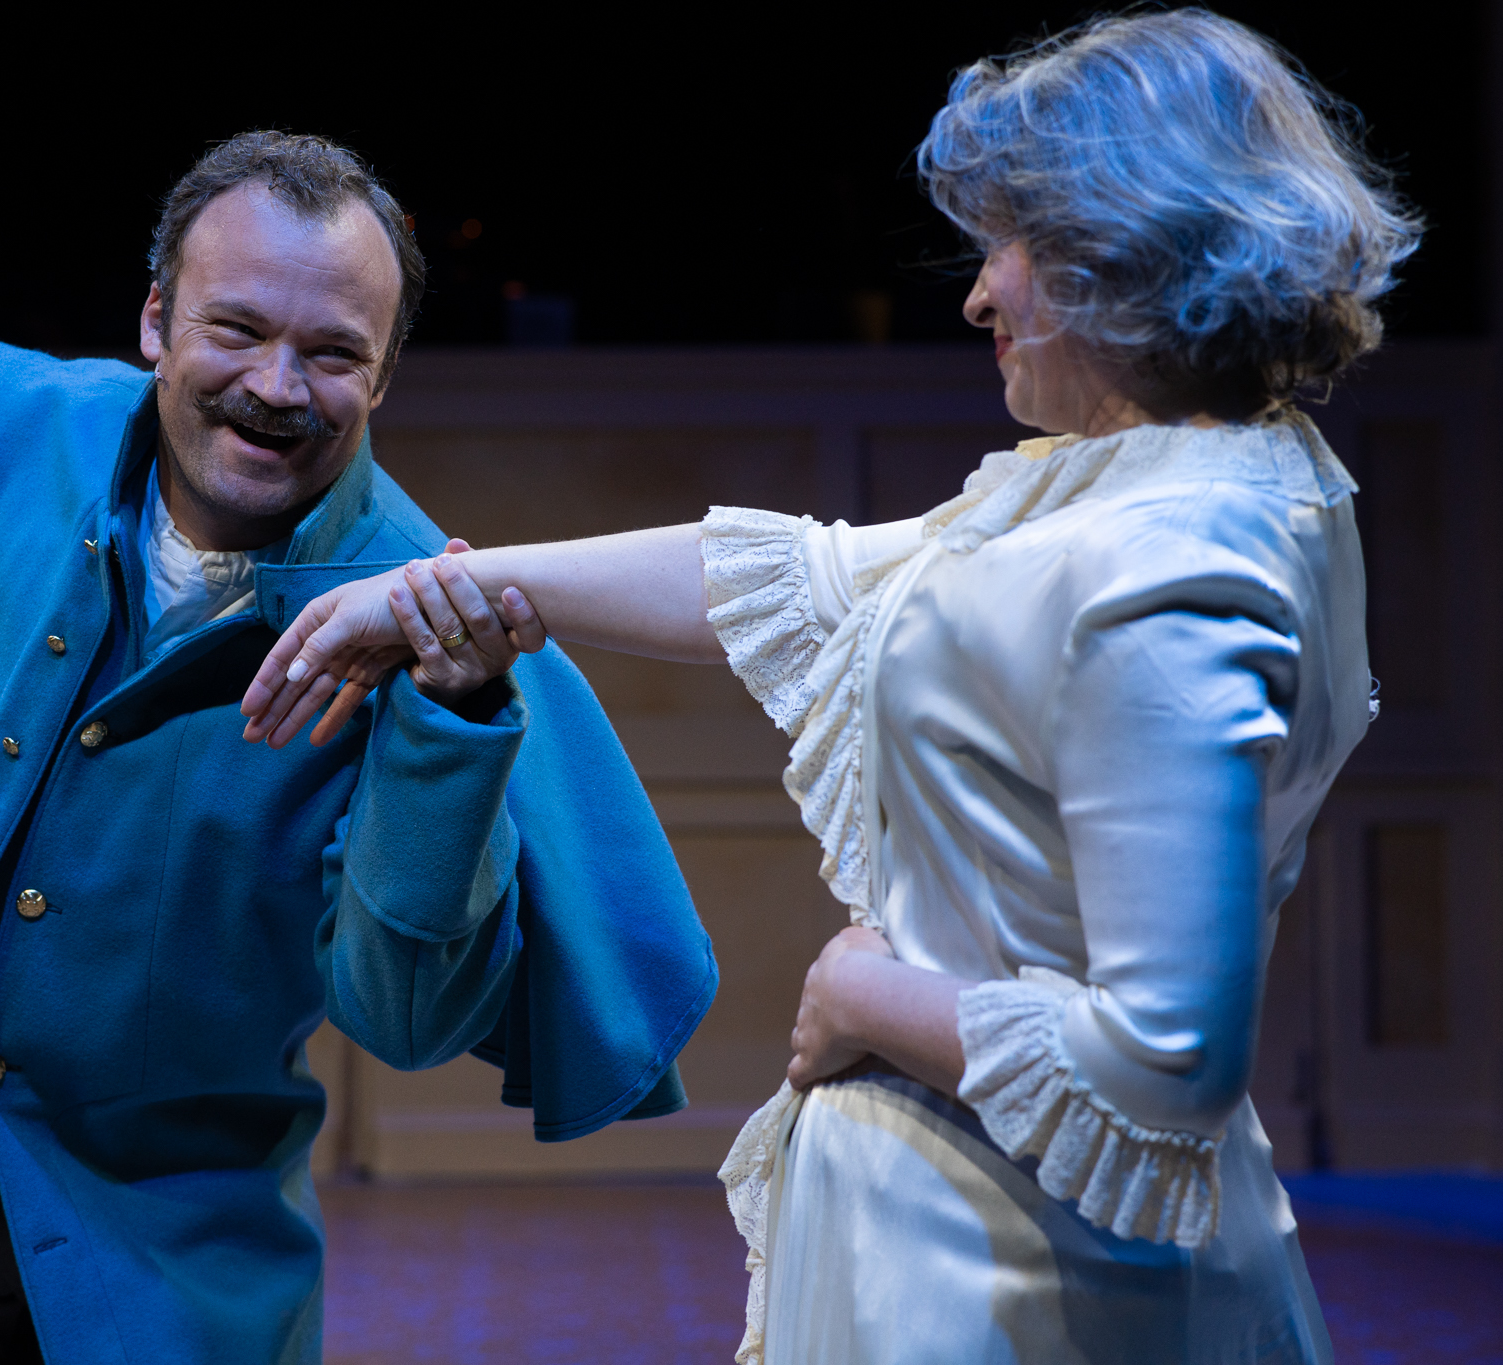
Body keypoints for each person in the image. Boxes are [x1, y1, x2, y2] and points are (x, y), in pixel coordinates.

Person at [243, 12, 1417, 1361]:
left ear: (1125, 251)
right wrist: (425, 592)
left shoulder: (1173, 565)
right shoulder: (1142, 488)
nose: (984, 294)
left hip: (1034, 1283)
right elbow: (803, 578)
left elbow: (1170, 1068)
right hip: (963, 1239)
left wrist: (867, 1004)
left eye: (1013, 246)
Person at [0, 132, 716, 1365]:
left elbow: (407, 1017)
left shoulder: (418, 611)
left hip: (158, 1274)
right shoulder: (0, 425)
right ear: (154, 320)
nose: (275, 384)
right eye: (235, 330)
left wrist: (450, 715)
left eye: (331, 354)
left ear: (383, 379)